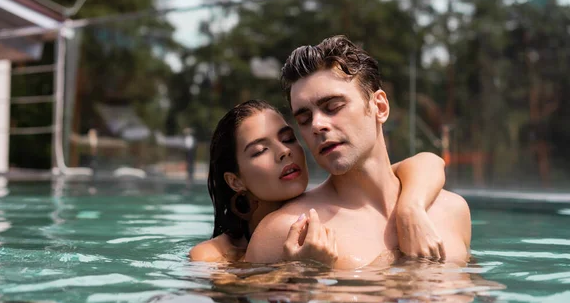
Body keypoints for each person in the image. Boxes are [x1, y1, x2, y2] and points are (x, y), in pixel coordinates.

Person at [244, 35, 471, 269]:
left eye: (333, 107)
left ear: (379, 107)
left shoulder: (452, 211)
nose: (316, 125)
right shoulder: (288, 231)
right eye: (304, 118)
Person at [190, 99, 448, 264]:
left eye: (288, 138)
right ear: (235, 181)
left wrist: (410, 208)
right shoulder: (214, 258)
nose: (284, 151)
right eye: (260, 150)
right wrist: (300, 271)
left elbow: (428, 161)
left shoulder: (320, 206)